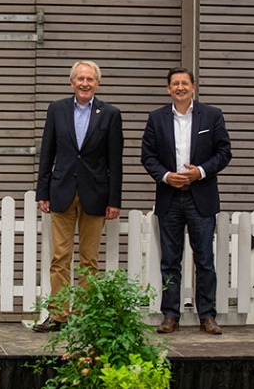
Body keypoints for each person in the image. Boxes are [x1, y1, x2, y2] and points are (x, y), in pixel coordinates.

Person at [33, 60, 123, 333]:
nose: (85, 83)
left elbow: (115, 161)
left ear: (98, 83)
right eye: (80, 78)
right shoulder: (57, 110)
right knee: (60, 257)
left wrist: (114, 199)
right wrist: (42, 190)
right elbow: (47, 152)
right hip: (61, 192)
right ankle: (58, 315)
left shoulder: (110, 114)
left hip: (96, 195)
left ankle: (84, 317)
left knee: (89, 260)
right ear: (72, 82)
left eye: (90, 79)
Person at [141, 67, 231, 335]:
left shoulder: (212, 115)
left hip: (200, 196)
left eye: (184, 83)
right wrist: (167, 176)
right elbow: (147, 157)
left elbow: (224, 152)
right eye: (175, 84)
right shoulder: (156, 118)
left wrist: (200, 172)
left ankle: (208, 316)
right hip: (169, 197)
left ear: (193, 86)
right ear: (168, 88)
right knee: (170, 261)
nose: (180, 88)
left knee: (204, 259)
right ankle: (170, 315)